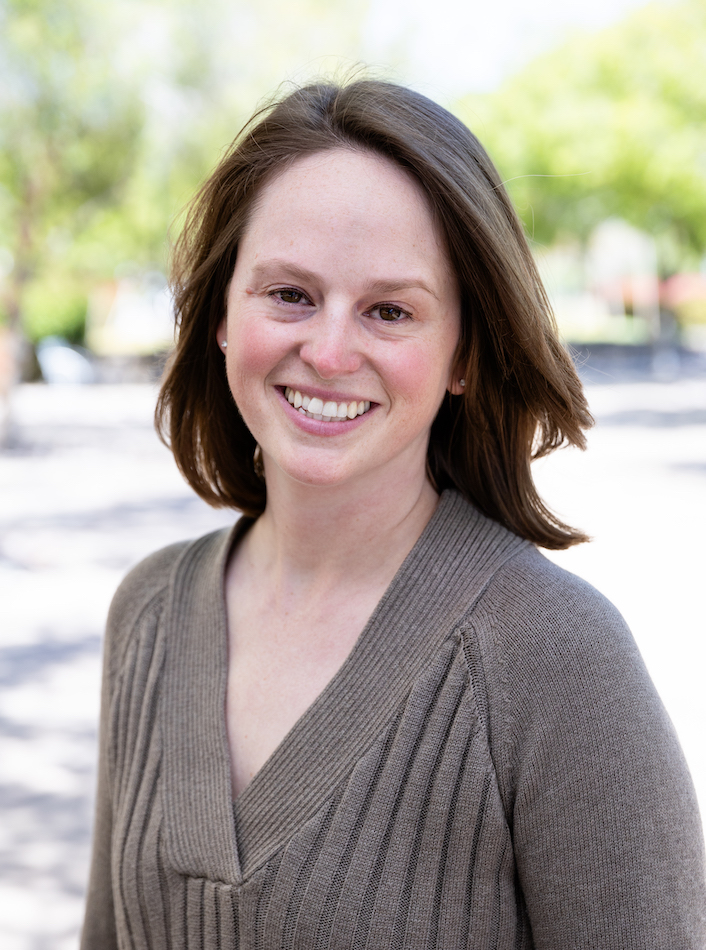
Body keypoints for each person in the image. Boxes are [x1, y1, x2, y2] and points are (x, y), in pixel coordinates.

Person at [80, 79, 705, 950]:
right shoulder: (145, 612)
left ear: (464, 357)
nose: (329, 351)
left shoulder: (558, 660)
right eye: (290, 294)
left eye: (389, 310)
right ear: (222, 312)